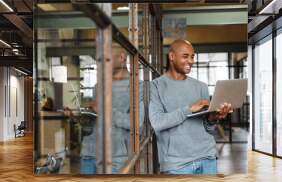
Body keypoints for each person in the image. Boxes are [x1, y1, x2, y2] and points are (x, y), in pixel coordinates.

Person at [149, 39, 232, 174]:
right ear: (172, 56)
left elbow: (207, 127)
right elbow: (157, 123)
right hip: (176, 165)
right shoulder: (156, 86)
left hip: (207, 158)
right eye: (185, 56)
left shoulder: (201, 86)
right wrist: (188, 109)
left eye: (192, 56)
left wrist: (213, 118)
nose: (191, 61)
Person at [79, 46, 144, 174]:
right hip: (88, 155)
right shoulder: (98, 86)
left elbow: (137, 124)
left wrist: (105, 110)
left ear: (121, 57)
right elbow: (95, 122)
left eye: (106, 59)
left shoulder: (139, 87)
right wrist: (81, 117)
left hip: (115, 159)